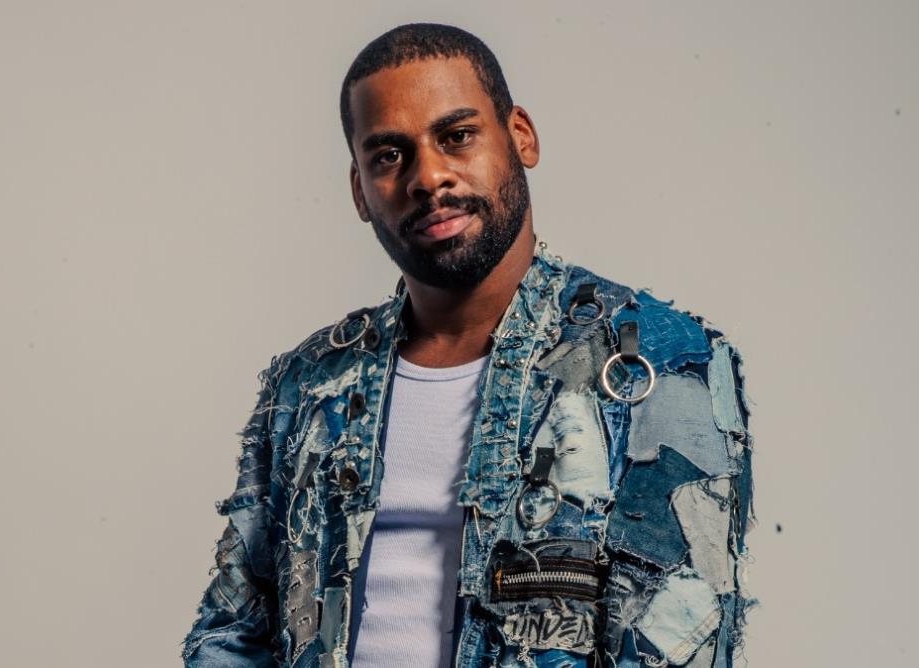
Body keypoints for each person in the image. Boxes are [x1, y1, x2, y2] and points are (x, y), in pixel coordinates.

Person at [182, 22, 755, 668]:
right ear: (359, 191)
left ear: (521, 137)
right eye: (389, 156)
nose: (428, 177)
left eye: (456, 136)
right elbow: (233, 630)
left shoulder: (660, 365)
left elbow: (675, 643)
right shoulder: (313, 383)